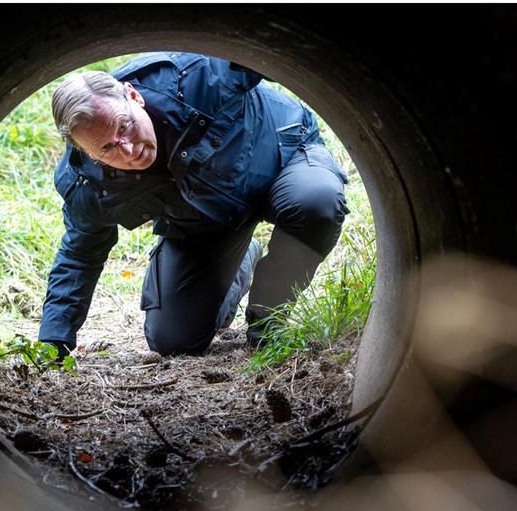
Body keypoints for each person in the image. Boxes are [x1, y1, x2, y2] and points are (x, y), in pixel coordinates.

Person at [37, 52, 349, 359]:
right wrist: (54, 340)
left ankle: (268, 320)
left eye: (125, 126)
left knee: (317, 201)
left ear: (133, 95)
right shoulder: (86, 183)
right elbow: (80, 254)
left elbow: (274, 49)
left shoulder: (197, 74)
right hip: (207, 219)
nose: (129, 150)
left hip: (283, 156)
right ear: (85, 152)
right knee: (173, 341)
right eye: (107, 148)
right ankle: (241, 259)